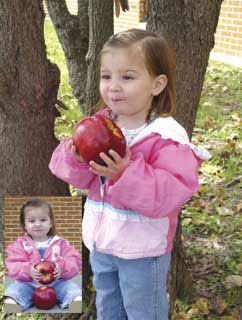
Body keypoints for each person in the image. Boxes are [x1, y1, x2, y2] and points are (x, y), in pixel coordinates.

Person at [49, 29, 211, 320]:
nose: (113, 87)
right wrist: (75, 156)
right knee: (108, 310)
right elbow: (82, 178)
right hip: (102, 246)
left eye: (127, 77)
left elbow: (171, 194)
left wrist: (125, 174)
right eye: (106, 76)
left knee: (143, 313)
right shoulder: (100, 124)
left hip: (142, 252)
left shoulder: (166, 137)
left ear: (157, 84)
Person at [4, 198, 82, 312]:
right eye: (31, 221)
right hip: (29, 284)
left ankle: (74, 302)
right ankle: (13, 303)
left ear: (51, 223)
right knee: (16, 290)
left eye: (43, 220)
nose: (38, 224)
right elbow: (13, 265)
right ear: (24, 225)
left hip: (57, 283)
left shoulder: (60, 243)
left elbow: (74, 260)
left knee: (71, 289)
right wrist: (28, 270)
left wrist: (62, 267)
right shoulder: (20, 245)